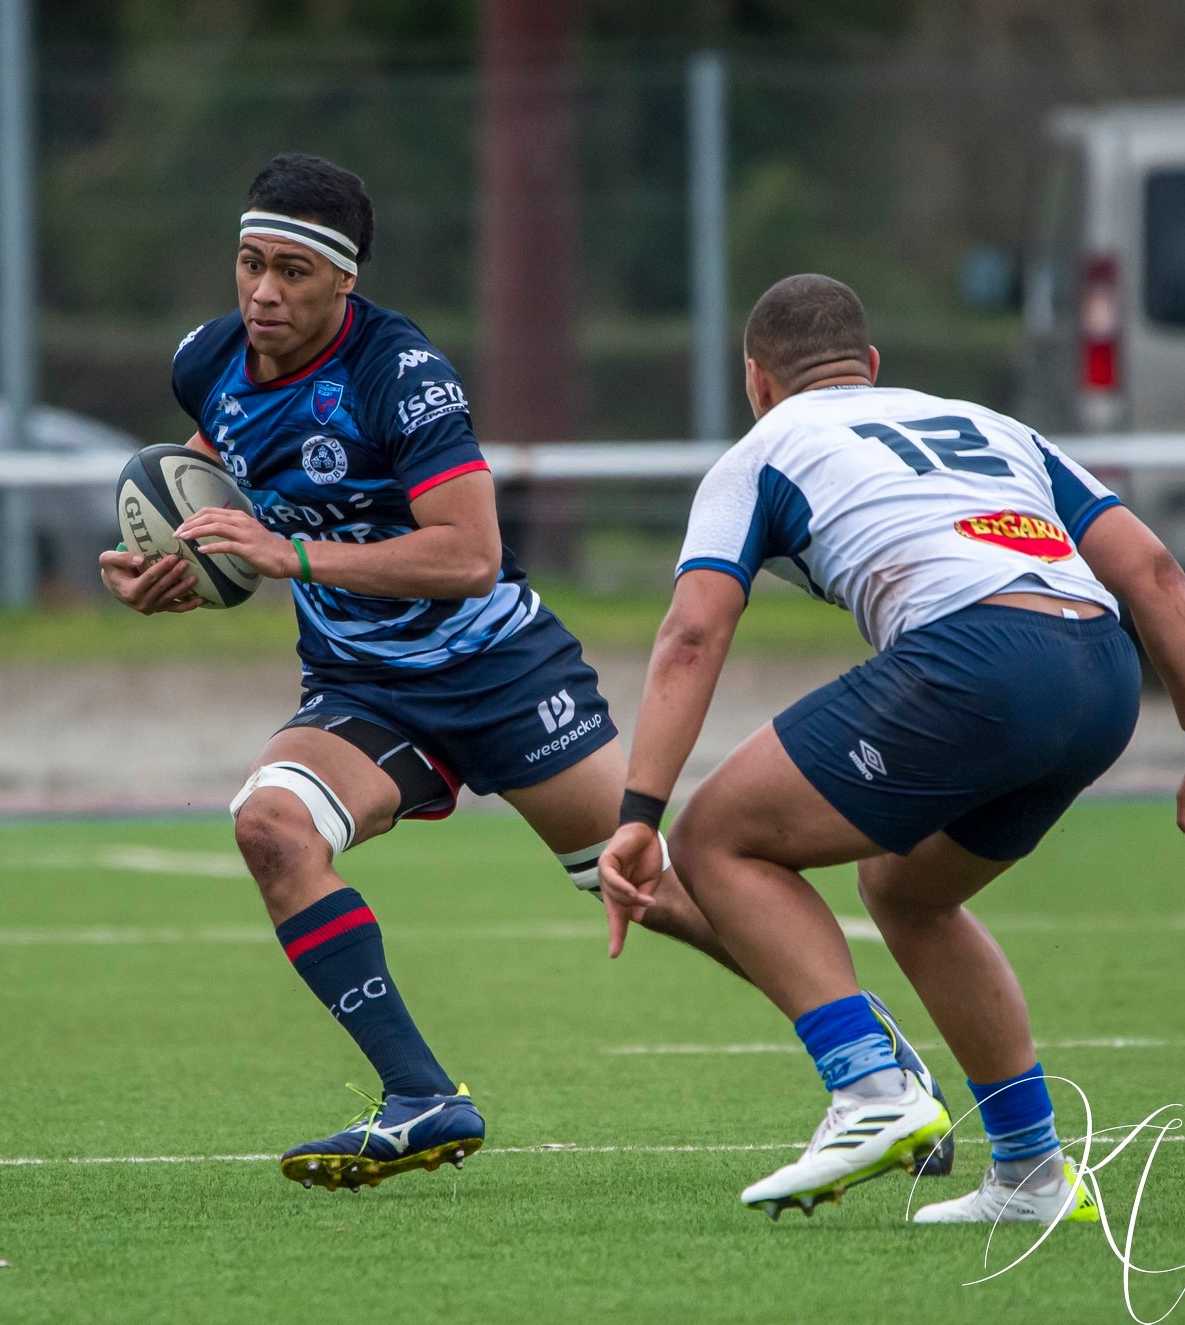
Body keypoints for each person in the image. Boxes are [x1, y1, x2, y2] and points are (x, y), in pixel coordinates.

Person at [98, 153, 781, 1191]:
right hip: (363, 687)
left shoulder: (398, 373)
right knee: (271, 827)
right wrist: (179, 568)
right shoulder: (210, 363)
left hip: (500, 672)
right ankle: (421, 1095)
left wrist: (297, 556)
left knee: (653, 886)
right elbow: (222, 484)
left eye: (291, 272)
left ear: (345, 281)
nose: (263, 293)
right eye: (248, 265)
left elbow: (466, 555)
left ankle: (870, 1054)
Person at [598, 273, 1185, 1223]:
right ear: (873, 368)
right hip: (1103, 671)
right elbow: (1153, 567)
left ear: (756, 382)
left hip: (979, 656)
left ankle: (870, 1088)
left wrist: (639, 815)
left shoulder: (762, 450)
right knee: (908, 891)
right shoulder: (996, 426)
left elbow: (692, 633)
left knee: (716, 839)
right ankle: (1033, 1173)